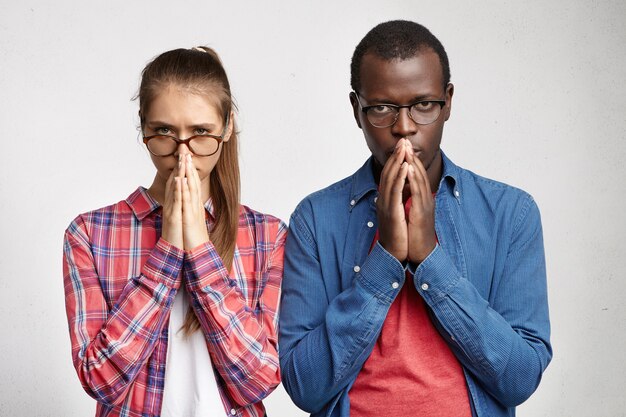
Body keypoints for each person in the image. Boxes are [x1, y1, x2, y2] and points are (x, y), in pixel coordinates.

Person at [279, 20, 552, 417]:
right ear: (357, 109)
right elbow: (304, 386)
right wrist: (385, 259)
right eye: (383, 109)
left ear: (448, 102)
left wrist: (429, 260)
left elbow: (520, 378)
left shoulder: (511, 214)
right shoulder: (315, 219)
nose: (404, 128)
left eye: (423, 105)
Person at [63, 47, 286, 417]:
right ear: (143, 127)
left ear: (227, 127)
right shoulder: (89, 234)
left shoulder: (268, 236)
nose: (183, 154)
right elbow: (99, 380)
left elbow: (259, 380)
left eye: (201, 133)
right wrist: (166, 251)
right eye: (164, 131)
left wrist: (200, 250)